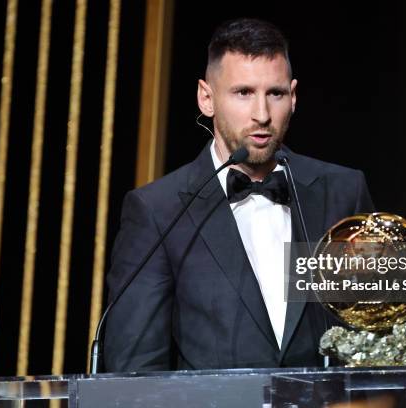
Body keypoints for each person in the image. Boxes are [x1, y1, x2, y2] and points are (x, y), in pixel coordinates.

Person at [104, 18, 374, 372]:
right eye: (243, 93)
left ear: (293, 97)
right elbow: (135, 370)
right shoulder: (157, 210)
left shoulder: (344, 192)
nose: (261, 115)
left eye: (274, 94)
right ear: (206, 98)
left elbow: (380, 339)